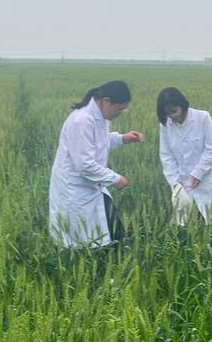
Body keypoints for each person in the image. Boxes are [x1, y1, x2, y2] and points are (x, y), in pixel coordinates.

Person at [49, 80, 144, 248]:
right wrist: (115, 179)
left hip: (90, 184)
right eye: (119, 109)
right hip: (74, 187)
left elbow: (99, 141)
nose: (120, 113)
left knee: (104, 231)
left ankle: (102, 260)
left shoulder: (101, 117)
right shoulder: (82, 121)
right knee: (78, 239)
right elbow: (84, 164)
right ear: (107, 101)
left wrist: (122, 138)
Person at [158, 87, 212, 225]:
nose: (172, 116)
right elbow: (166, 156)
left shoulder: (202, 117)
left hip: (208, 178)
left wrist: (198, 173)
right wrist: (174, 182)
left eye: (174, 111)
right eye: (167, 113)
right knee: (189, 222)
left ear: (182, 104)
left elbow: (210, 149)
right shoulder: (166, 125)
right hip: (182, 181)